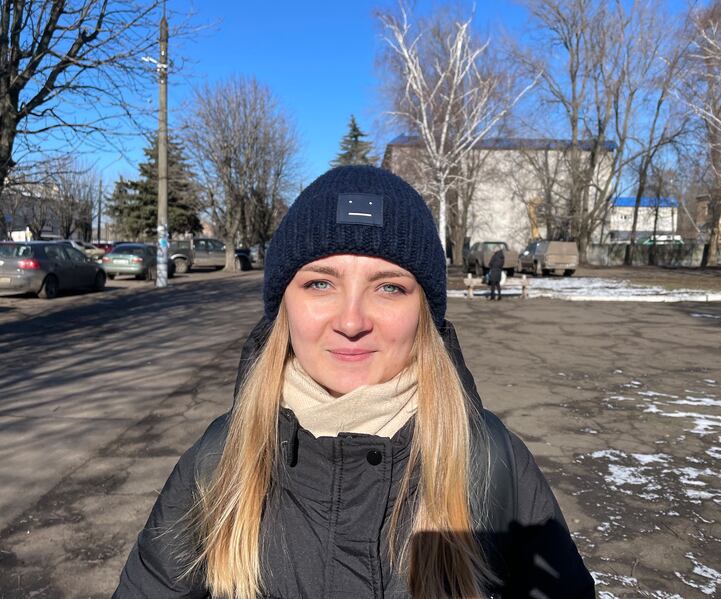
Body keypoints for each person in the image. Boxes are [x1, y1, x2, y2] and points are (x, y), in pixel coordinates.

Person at [113, 165, 594, 598]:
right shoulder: (220, 459)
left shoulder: (489, 461)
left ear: (424, 313)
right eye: (320, 283)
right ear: (284, 306)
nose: (351, 320)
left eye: (388, 287)